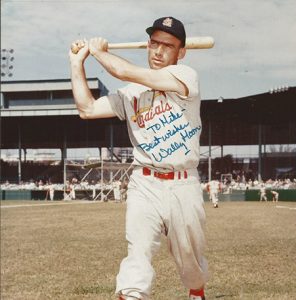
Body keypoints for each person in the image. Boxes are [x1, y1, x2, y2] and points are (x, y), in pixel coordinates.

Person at [69, 16, 208, 300]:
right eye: (154, 43)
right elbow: (87, 108)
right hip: (144, 182)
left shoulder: (185, 76)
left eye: (167, 46)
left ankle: (196, 290)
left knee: (189, 258)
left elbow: (124, 71)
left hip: (183, 183)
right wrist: (77, 62)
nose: (158, 52)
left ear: (181, 52)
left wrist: (99, 52)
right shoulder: (131, 93)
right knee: (138, 252)